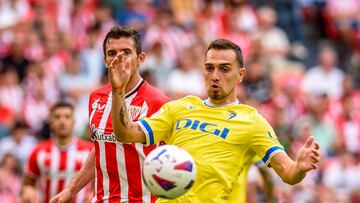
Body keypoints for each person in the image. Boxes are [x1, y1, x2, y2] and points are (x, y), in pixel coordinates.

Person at [108, 38, 320, 203]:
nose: (215, 75)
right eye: (210, 68)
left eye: (224, 69)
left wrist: (300, 167)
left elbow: (287, 172)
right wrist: (118, 91)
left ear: (241, 74)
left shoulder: (252, 121)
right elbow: (125, 133)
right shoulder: (180, 107)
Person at [51, 26, 170, 203]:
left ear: (140, 59)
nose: (119, 58)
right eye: (112, 53)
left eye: (126, 52)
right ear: (105, 60)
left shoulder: (159, 103)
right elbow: (101, 148)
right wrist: (71, 189)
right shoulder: (96, 98)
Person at [21, 101, 93, 203]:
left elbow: (101, 180)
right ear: (51, 122)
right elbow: (27, 183)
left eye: (67, 117)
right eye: (57, 117)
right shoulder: (38, 151)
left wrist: (93, 193)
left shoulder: (90, 150)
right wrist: (28, 190)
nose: (62, 121)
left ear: (74, 121)